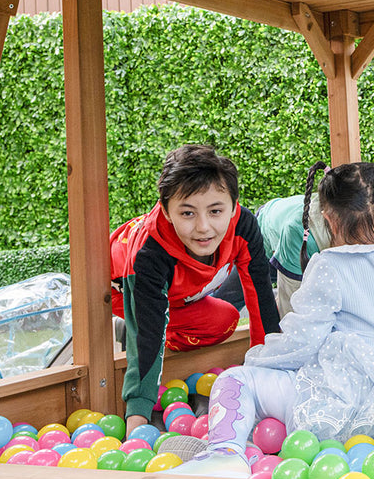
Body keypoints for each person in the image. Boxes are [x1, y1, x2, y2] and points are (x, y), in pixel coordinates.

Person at [172, 159, 374, 478]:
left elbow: (303, 340)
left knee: (236, 380)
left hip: (338, 406)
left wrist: (258, 360)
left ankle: (224, 453)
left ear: (328, 218)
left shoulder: (330, 264)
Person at [110, 144, 280, 435]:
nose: (203, 227)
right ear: (166, 211)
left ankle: (163, 330)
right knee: (149, 331)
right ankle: (129, 324)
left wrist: (270, 373)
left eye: (215, 211)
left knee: (224, 320)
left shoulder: (244, 225)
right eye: (187, 213)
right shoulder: (149, 253)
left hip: (183, 294)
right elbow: (147, 335)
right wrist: (138, 417)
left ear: (233, 206)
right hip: (126, 290)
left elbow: (260, 297)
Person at [256, 193, 332, 316]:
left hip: (294, 241)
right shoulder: (298, 234)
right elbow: (289, 309)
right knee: (232, 296)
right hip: (265, 232)